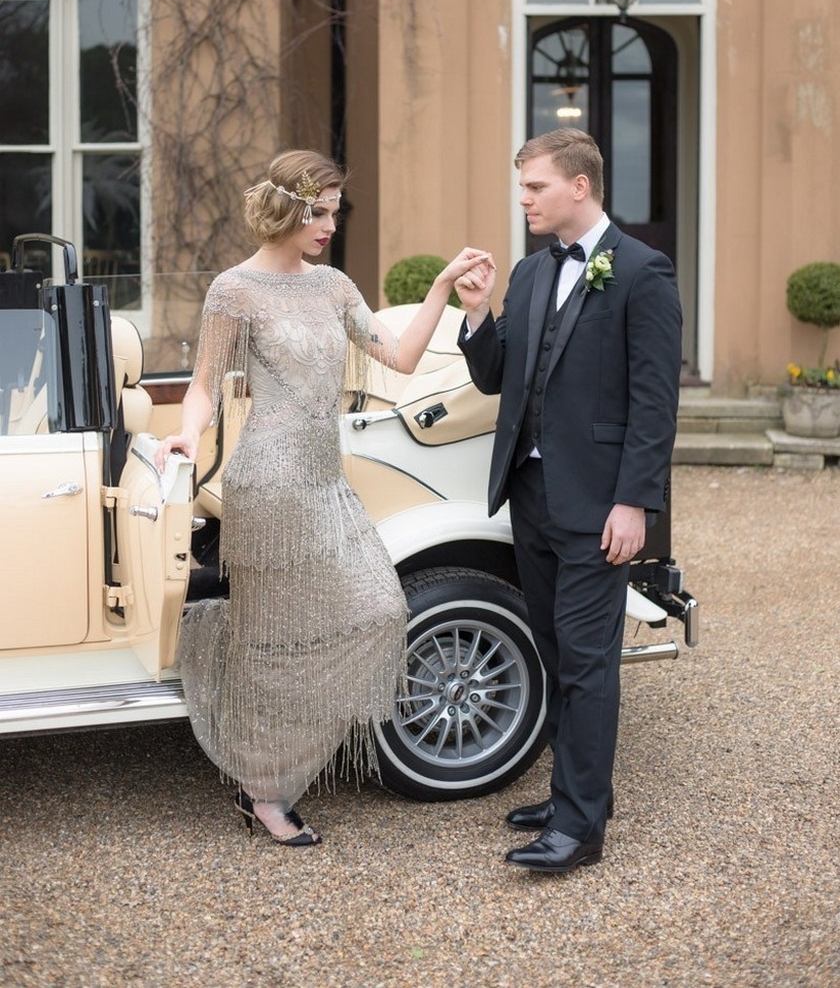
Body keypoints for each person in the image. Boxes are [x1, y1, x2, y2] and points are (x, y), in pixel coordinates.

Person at [156, 149, 491, 847]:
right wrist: (188, 434)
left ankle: (275, 760)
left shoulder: (334, 287)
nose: (332, 226)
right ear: (287, 208)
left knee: (380, 609)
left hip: (325, 481)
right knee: (272, 642)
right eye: (321, 212)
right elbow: (204, 385)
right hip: (267, 484)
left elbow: (399, 358)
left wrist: (441, 288)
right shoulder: (233, 291)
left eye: (337, 212)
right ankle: (265, 791)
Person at [454, 127, 682, 875]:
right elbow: (497, 378)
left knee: (587, 662)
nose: (523, 199)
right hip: (530, 493)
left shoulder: (643, 271)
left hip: (598, 505)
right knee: (552, 651)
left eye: (536, 187)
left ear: (579, 186)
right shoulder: (527, 272)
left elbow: (655, 403)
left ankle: (579, 829)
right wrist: (478, 313)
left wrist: (635, 503)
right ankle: (576, 798)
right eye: (522, 187)